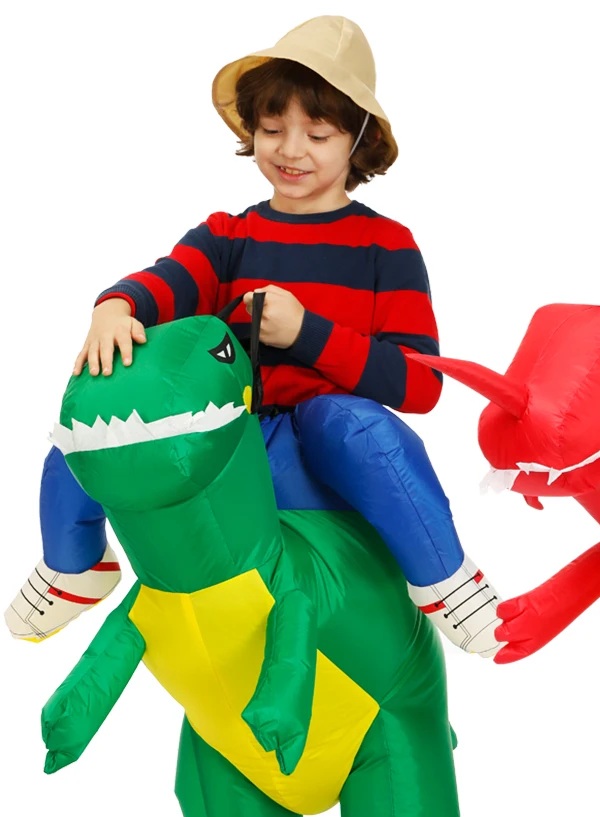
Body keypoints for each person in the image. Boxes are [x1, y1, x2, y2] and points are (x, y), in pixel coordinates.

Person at [5, 16, 502, 657]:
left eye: (317, 134)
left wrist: (308, 333)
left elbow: (420, 385)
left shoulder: (387, 246)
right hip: (234, 442)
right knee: (100, 423)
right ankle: (75, 566)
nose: (291, 151)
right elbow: (168, 281)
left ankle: (446, 579)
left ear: (358, 139)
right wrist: (114, 306)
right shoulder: (227, 236)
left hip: (327, 455)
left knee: (348, 421)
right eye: (272, 130)